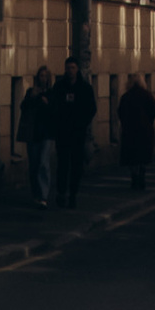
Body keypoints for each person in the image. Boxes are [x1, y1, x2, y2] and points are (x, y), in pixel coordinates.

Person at [52, 59, 97, 207]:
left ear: (77, 69)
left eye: (72, 67)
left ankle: (73, 194)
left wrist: (82, 122)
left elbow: (91, 108)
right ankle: (61, 193)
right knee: (63, 164)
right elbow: (54, 105)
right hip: (62, 132)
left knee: (76, 165)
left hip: (78, 133)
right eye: (68, 68)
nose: (70, 70)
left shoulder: (84, 88)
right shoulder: (59, 87)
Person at [18, 65, 58, 210]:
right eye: (41, 76)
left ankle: (43, 195)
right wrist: (33, 97)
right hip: (33, 133)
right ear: (37, 78)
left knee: (43, 163)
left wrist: (48, 104)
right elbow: (23, 107)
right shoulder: (31, 92)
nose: (43, 79)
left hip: (46, 133)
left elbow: (55, 111)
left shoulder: (52, 93)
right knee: (34, 164)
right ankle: (36, 193)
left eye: (45, 76)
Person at [118, 73, 155, 189]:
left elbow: (120, 112)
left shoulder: (126, 96)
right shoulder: (147, 95)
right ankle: (141, 177)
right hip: (144, 130)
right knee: (142, 156)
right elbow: (154, 110)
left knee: (132, 157)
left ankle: (134, 178)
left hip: (130, 130)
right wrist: (148, 122)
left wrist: (125, 124)